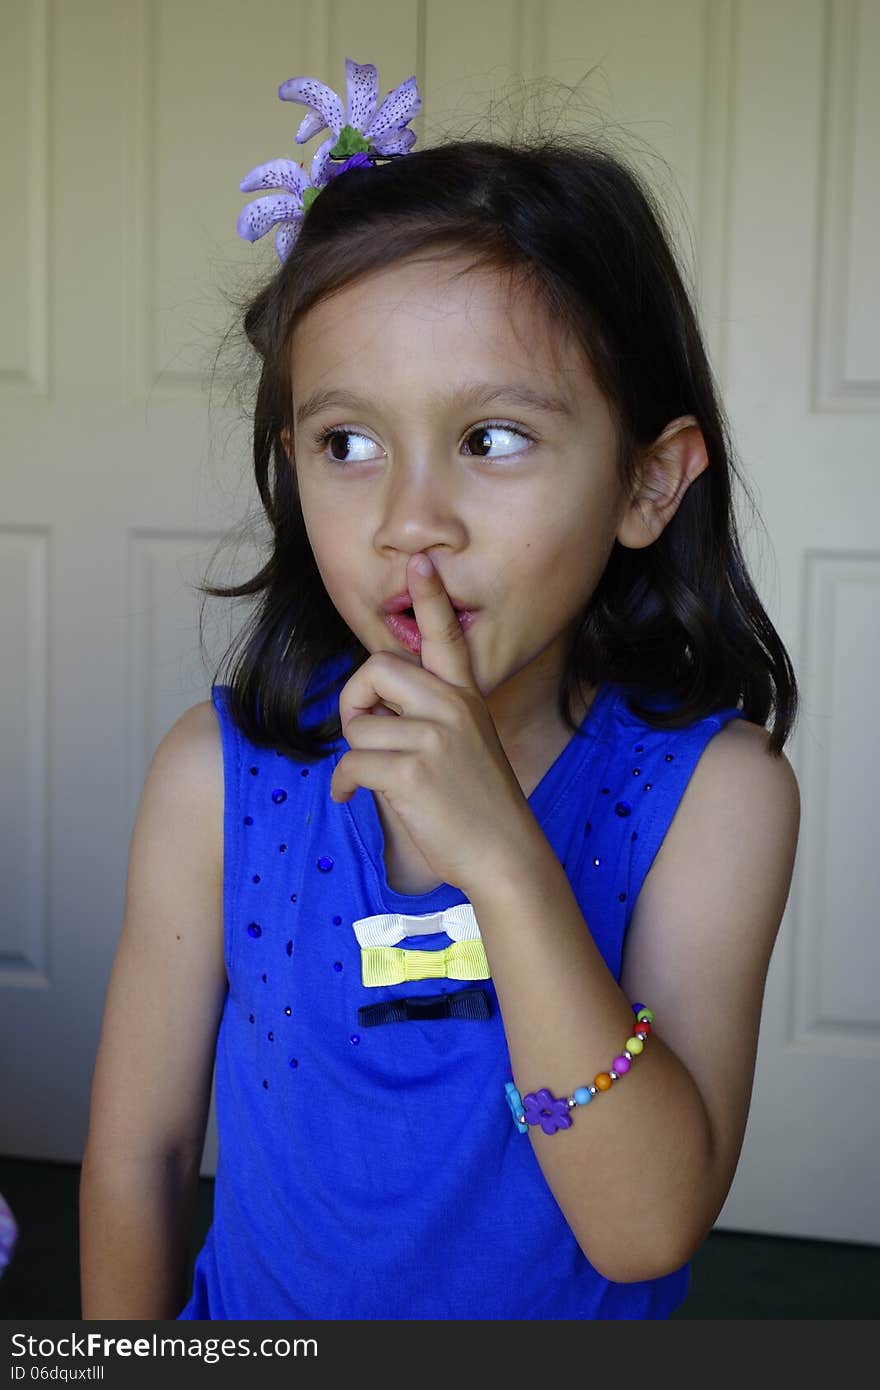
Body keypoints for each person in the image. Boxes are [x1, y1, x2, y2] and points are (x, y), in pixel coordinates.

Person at [78, 58, 801, 1321]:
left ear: (647, 483)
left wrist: (506, 860)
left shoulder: (715, 800)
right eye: (346, 443)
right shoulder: (217, 779)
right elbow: (137, 1160)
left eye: (492, 439)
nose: (412, 521)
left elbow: (643, 1231)